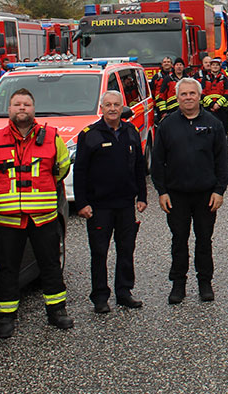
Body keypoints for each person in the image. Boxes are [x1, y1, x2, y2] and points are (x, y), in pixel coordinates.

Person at [0, 88, 72, 338]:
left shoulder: (52, 137)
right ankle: (6, 317)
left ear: (34, 109)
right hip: (8, 219)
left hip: (43, 217)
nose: (22, 108)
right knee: (7, 268)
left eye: (26, 104)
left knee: (50, 265)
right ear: (9, 110)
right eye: (17, 104)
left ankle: (56, 311)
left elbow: (62, 167)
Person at [153, 78, 228, 304]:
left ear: (199, 96)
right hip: (176, 195)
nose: (188, 97)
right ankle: (178, 284)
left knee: (204, 240)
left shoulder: (213, 124)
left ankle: (205, 283)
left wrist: (220, 190)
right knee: (179, 240)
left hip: (206, 195)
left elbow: (221, 161)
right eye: (183, 94)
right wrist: (161, 191)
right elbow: (158, 161)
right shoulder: (166, 125)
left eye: (192, 93)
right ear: (177, 98)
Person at [73, 91, 148, 312]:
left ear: (122, 107)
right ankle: (100, 296)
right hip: (99, 206)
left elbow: (139, 166)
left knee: (126, 249)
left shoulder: (130, 131)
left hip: (125, 204)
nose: (113, 109)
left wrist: (142, 196)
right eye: (108, 105)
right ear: (102, 107)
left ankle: (124, 292)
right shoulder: (90, 134)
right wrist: (81, 203)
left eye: (116, 105)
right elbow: (80, 171)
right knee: (99, 251)